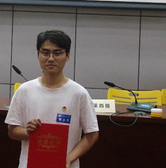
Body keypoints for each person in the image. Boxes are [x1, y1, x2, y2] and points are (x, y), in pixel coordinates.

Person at [5, 30, 99, 168]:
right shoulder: (24, 90)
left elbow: (92, 134)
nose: (50, 58)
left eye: (57, 53)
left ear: (67, 56)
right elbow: (12, 131)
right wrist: (27, 132)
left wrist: (68, 159)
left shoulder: (79, 93)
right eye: (45, 52)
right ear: (38, 54)